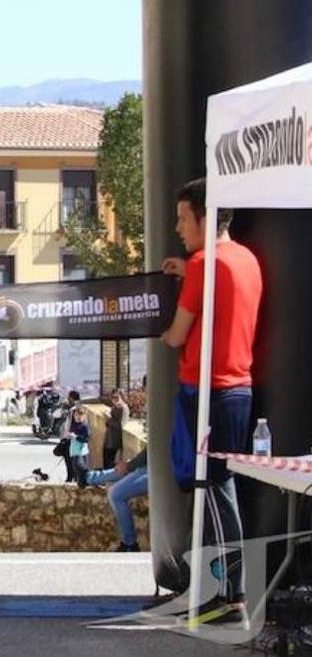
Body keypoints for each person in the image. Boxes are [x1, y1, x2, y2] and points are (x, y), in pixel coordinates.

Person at [160, 177, 261, 625]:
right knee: (222, 489)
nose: (178, 228)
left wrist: (165, 334)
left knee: (211, 492)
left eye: (184, 218)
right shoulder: (246, 260)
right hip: (238, 387)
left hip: (206, 392)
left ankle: (230, 595)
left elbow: (177, 334)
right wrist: (187, 272)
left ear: (208, 217)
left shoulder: (204, 264)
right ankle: (220, 592)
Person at [104, 389, 129, 469]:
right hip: (109, 440)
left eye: (116, 397)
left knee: (111, 463)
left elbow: (120, 425)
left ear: (121, 396)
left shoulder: (123, 408)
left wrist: (109, 418)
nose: (114, 399)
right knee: (106, 460)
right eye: (112, 397)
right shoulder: (115, 407)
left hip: (115, 441)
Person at [68, 405, 90, 486]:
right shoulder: (74, 425)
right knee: (75, 470)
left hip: (81, 452)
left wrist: (76, 437)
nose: (78, 417)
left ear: (84, 416)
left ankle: (86, 481)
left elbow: (86, 439)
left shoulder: (84, 426)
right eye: (76, 415)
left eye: (80, 415)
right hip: (74, 451)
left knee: (81, 467)